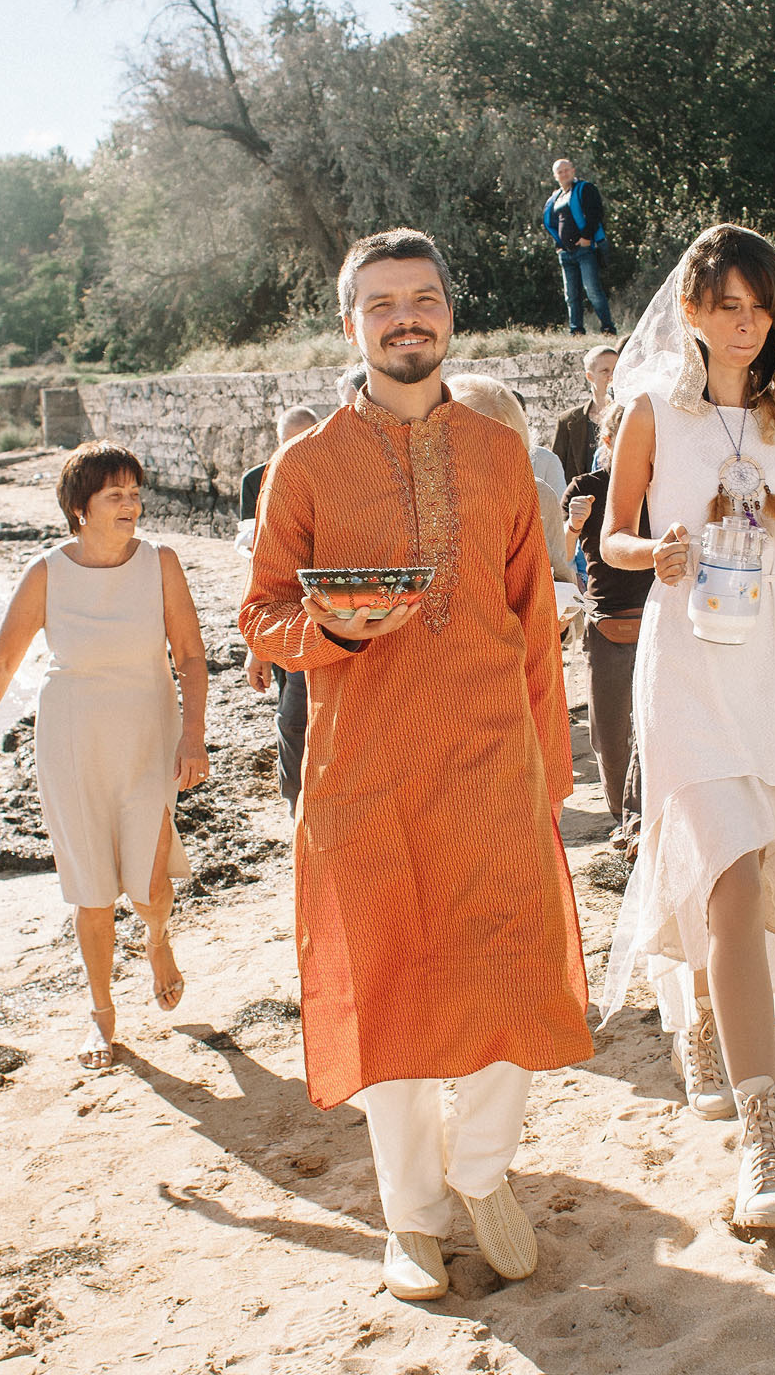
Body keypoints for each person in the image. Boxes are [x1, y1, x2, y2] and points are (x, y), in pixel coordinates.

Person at [238, 228, 592, 1302]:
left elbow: (533, 620)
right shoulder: (304, 466)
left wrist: (550, 763)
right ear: (351, 323)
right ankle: (411, 1220)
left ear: (449, 316)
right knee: (388, 988)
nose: (407, 317)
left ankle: (482, 1169)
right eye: (383, 301)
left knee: (507, 968)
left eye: (425, 299)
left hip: (491, 759)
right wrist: (333, 633)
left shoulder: (492, 453)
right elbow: (260, 617)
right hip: (367, 775)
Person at [598, 222, 775, 1231]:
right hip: (686, 674)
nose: (747, 322)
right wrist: (648, 547)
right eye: (728, 305)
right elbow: (612, 532)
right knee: (733, 881)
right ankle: (764, 1141)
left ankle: (700, 1011)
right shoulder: (654, 408)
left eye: (762, 306)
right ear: (694, 311)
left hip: (770, 673)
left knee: (737, 880)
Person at [0, 442, 211, 1068]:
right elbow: (3, 662)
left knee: (148, 882)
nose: (131, 504)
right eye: (114, 495)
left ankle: (156, 937)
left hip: (148, 733)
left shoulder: (161, 564)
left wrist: (194, 733)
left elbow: (192, 655)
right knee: (91, 891)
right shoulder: (46, 573)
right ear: (80, 507)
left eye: (133, 492)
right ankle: (102, 1017)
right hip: (71, 740)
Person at [561, 402, 651, 842]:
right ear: (610, 441)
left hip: (666, 621)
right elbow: (560, 552)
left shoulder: (669, 485)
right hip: (609, 624)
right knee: (610, 735)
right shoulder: (588, 487)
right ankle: (625, 823)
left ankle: (648, 819)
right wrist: (574, 526)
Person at [240, 406, 322, 810]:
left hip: (321, 615)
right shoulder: (258, 480)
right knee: (291, 713)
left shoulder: (333, 473)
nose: (298, 447)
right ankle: (296, 802)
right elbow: (260, 563)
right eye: (288, 441)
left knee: (298, 714)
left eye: (306, 436)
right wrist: (256, 645)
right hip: (282, 610)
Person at [447, 372, 573, 592]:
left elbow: (562, 579)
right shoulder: (416, 499)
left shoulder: (538, 495)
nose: (491, 458)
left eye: (504, 445)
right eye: (478, 445)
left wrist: (562, 617)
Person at [543, 158, 615, 335]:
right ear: (555, 176)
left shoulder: (585, 189)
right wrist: (558, 245)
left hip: (585, 249)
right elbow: (552, 222)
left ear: (573, 171)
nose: (564, 174)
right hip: (566, 253)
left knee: (592, 291)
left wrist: (586, 237)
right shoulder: (555, 198)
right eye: (560, 172)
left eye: (567, 170)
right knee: (571, 296)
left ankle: (607, 328)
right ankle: (576, 331)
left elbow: (595, 213)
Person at [553, 343, 622, 485]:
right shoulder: (568, 420)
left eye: (616, 370)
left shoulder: (630, 416)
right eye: (605, 371)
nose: (611, 376)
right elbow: (557, 467)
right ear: (590, 376)